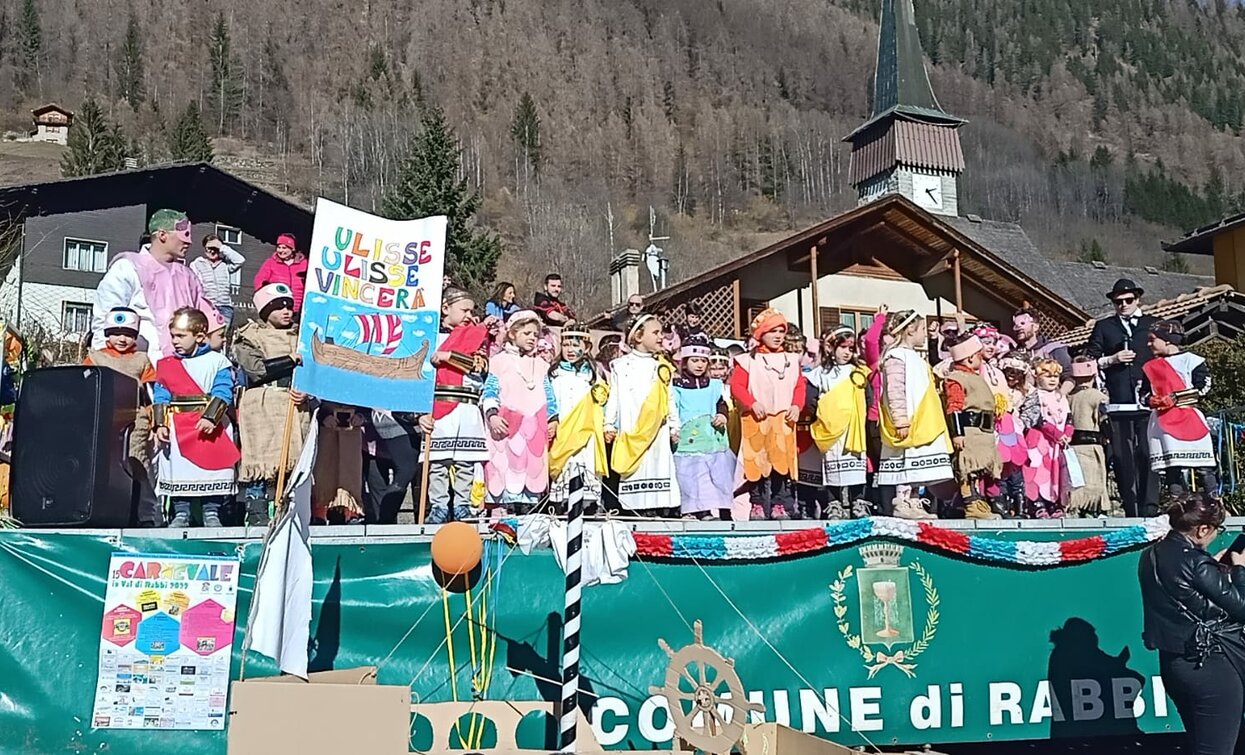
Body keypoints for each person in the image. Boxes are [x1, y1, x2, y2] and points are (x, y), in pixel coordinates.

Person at [1139, 494, 1245, 755]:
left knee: (1200, 746)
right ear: (1203, 529)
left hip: (1174, 663)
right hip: (1212, 666)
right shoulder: (1197, 562)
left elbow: (1184, 590)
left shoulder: (1150, 555)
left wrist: (1214, 567)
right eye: (1216, 529)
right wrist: (1240, 570)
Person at [232, 283, 312, 527]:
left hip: (294, 404)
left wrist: (308, 392)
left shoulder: (303, 337)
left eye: (289, 305)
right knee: (262, 459)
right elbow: (256, 370)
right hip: (263, 404)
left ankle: (289, 508)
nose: (286, 311)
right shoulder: (249, 336)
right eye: (278, 307)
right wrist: (290, 360)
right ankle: (256, 508)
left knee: (293, 460)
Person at [92, 209, 219, 362]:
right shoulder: (128, 267)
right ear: (162, 235)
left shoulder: (189, 277)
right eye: (183, 234)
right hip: (140, 367)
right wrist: (105, 361)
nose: (189, 241)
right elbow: (105, 317)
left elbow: (206, 321)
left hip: (184, 368)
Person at [152, 308, 240, 528]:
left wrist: (211, 417)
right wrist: (160, 423)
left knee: (213, 470)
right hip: (178, 425)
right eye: (173, 335)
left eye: (181, 336)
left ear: (199, 337)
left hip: (209, 425)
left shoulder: (218, 362)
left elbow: (223, 390)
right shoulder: (167, 364)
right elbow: (162, 393)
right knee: (179, 472)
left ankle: (212, 512)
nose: (175, 341)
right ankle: (181, 513)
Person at [1086, 279, 1159, 517]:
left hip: (1148, 401)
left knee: (1149, 453)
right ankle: (1130, 507)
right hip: (1118, 400)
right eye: (1118, 302)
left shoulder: (1152, 324)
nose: (1124, 305)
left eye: (1128, 300)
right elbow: (1091, 359)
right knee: (1121, 456)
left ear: (1138, 300)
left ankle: (1150, 506)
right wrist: (1113, 359)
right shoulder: (1104, 326)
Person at [419, 287, 490, 523]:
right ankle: (438, 505)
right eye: (464, 310)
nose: (469, 315)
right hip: (439, 402)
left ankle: (462, 504)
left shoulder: (477, 336)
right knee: (438, 462)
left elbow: (480, 366)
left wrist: (450, 357)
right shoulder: (430, 334)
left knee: (464, 461)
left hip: (467, 403)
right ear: (446, 308)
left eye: (472, 310)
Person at [84, 307, 160, 526]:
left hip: (135, 419)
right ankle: (105, 512)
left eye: (128, 334)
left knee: (138, 464)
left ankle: (144, 515)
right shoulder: (95, 358)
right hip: (103, 419)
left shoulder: (142, 360)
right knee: (104, 465)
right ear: (108, 333)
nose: (122, 339)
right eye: (117, 333)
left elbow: (152, 394)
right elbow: (84, 387)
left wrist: (155, 422)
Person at [877, 310, 952, 520]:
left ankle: (914, 500)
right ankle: (902, 501)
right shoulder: (895, 357)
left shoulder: (915, 357)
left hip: (923, 418)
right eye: (921, 330)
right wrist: (900, 419)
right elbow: (895, 390)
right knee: (906, 461)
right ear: (910, 330)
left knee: (918, 463)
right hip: (910, 419)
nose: (924, 335)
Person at [482, 310, 559, 513]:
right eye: (527, 333)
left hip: (534, 432)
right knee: (505, 476)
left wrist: (553, 419)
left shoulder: (542, 365)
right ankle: (504, 516)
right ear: (513, 334)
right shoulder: (499, 361)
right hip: (507, 430)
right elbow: (490, 390)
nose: (532, 338)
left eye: (535, 334)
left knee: (532, 477)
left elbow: (549, 395)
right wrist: (492, 415)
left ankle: (528, 514)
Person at [732, 309, 806, 521]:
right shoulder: (748, 360)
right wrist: (751, 402)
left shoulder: (791, 360)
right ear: (761, 333)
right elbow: (737, 386)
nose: (778, 335)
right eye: (772, 330)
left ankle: (779, 503)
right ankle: (756, 502)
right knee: (757, 463)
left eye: (781, 331)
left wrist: (796, 405)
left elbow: (799, 386)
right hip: (758, 419)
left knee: (781, 463)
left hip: (783, 419)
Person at [604, 314, 681, 514]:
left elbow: (669, 397)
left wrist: (674, 425)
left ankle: (657, 507)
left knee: (657, 462)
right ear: (638, 336)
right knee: (636, 466)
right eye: (655, 332)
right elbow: (615, 396)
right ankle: (635, 508)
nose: (660, 337)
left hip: (657, 428)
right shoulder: (621, 366)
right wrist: (609, 424)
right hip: (632, 425)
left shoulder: (662, 367)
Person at [1144, 320, 1218, 498]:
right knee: (1172, 467)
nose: (1148, 344)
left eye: (1152, 339)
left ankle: (1214, 502)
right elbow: (1143, 393)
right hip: (1162, 421)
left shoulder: (1191, 360)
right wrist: (1151, 400)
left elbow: (1203, 386)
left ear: (1167, 340)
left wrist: (1176, 398)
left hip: (1188, 417)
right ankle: (1179, 504)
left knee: (1204, 466)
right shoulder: (1149, 367)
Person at [803, 326, 870, 519]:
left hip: (852, 427)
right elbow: (811, 396)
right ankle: (833, 503)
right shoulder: (821, 373)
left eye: (851, 348)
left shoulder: (857, 371)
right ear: (831, 347)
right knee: (831, 463)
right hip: (830, 427)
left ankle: (858, 500)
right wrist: (821, 412)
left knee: (855, 461)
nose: (847, 352)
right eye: (843, 347)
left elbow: (867, 396)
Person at [672, 333, 734, 519]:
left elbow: (720, 403)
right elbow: (672, 409)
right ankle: (693, 511)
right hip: (688, 442)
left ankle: (716, 510)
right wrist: (673, 430)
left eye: (703, 361)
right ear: (685, 361)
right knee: (689, 478)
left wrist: (722, 416)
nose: (699, 365)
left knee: (714, 477)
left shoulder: (714, 384)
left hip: (711, 439)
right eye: (694, 360)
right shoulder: (676, 385)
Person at [942, 333, 1003, 520]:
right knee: (968, 470)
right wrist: (958, 433)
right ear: (969, 357)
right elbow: (954, 407)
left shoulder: (975, 377)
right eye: (978, 355)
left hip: (982, 433)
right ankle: (971, 505)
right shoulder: (956, 379)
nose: (981, 359)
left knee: (978, 472)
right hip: (969, 431)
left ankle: (975, 502)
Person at [549, 325, 608, 513]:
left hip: (587, 433)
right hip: (564, 429)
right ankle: (562, 505)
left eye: (576, 345)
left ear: (587, 347)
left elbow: (603, 402)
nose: (570, 350)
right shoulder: (554, 373)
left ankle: (589, 504)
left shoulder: (593, 375)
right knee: (565, 465)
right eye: (566, 345)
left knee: (586, 464)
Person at [1020, 358, 1073, 519]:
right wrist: (1056, 434)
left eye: (1055, 376)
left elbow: (1069, 418)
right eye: (1047, 376)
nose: (1052, 379)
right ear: (1037, 377)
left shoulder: (1061, 397)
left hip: (1057, 445)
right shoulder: (1035, 395)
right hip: (1039, 441)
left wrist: (1068, 433)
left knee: (1055, 473)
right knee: (1038, 471)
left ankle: (1054, 502)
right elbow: (1037, 419)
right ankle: (1037, 503)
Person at [1065, 356, 1111, 516]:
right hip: (1092, 445)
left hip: (1071, 446)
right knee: (1093, 480)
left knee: (1077, 480)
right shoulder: (1098, 397)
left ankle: (1077, 507)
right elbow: (1105, 421)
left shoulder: (1068, 397)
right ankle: (1093, 509)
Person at [189, 234, 245, 330]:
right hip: (206, 307)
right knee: (206, 334)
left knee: (221, 336)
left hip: (225, 307)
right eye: (209, 248)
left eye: (214, 247)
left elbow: (240, 260)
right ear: (204, 249)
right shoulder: (197, 264)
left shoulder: (225, 264)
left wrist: (221, 247)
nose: (212, 251)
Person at [1012, 308, 1073, 387]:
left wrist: (1059, 396)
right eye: (1016, 325)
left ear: (1036, 327)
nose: (1019, 328)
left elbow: (1069, 378)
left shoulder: (1054, 349)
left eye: (1023, 324)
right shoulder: (1014, 354)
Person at [253, 234, 308, 316]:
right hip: (279, 308)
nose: (280, 250)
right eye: (279, 247)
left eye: (284, 248)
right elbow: (259, 280)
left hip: (301, 307)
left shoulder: (304, 263)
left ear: (292, 249)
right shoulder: (271, 263)